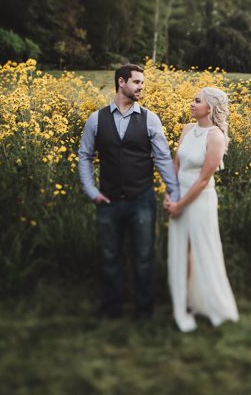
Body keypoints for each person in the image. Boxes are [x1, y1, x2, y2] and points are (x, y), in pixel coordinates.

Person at [78, 64, 179, 320]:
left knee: (144, 257)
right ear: (121, 82)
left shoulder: (150, 119)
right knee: (110, 257)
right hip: (108, 200)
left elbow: (163, 158)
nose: (141, 87)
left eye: (142, 83)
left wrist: (174, 192)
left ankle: (144, 311)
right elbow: (85, 156)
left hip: (142, 199)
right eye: (136, 82)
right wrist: (91, 190)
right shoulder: (96, 119)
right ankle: (111, 309)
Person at [163, 87, 239, 332]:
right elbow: (175, 164)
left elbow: (204, 179)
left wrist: (180, 204)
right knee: (181, 250)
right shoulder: (188, 129)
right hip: (178, 195)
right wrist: (169, 195)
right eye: (193, 100)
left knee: (202, 249)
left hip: (199, 201)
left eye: (198, 101)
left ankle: (211, 303)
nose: (192, 104)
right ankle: (184, 302)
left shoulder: (216, 137)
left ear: (210, 108)